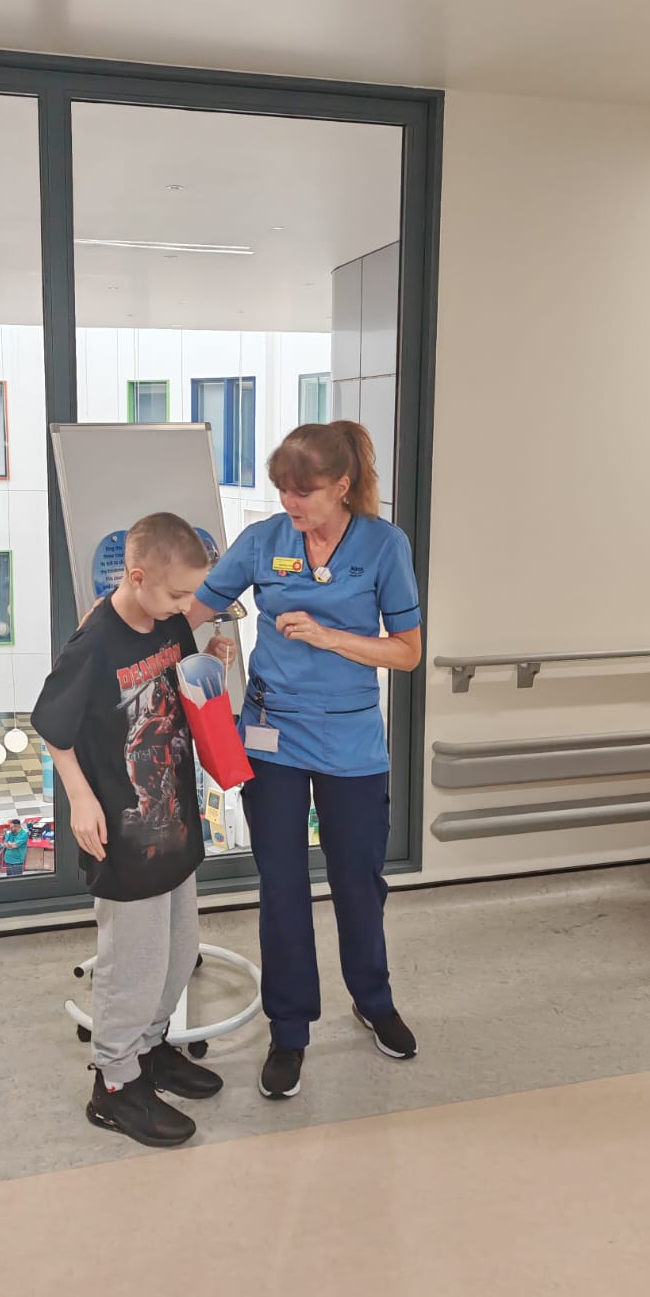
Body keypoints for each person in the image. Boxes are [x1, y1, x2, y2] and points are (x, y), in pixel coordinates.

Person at [190, 420, 423, 1101]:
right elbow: (194, 608)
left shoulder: (384, 546)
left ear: (342, 486)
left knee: (358, 884)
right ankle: (289, 1031)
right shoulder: (263, 541)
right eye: (284, 490)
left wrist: (330, 637)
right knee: (283, 889)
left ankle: (373, 1001)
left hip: (351, 741)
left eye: (305, 491)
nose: (291, 503)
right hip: (273, 734)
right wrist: (127, 631)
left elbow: (405, 651)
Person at [32, 512, 232, 1148]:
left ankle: (149, 1051)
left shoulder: (167, 619)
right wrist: (81, 800)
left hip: (174, 818)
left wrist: (215, 656)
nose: (186, 608)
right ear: (137, 576)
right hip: (122, 829)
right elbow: (53, 728)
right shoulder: (93, 645)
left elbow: (178, 682)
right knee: (133, 964)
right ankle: (115, 1084)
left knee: (178, 953)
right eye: (176, 595)